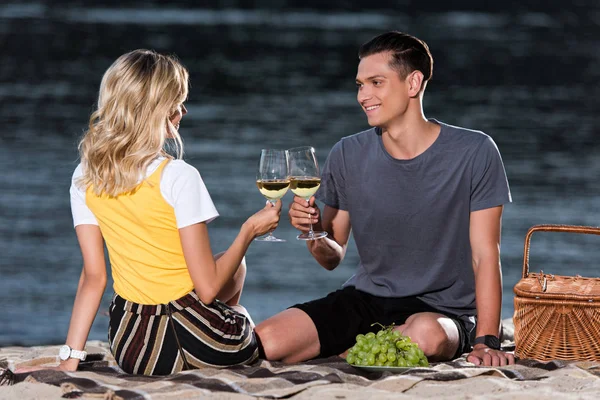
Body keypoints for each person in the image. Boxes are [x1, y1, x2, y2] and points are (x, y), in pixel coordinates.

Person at [255, 31, 515, 367]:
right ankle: (355, 351)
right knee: (268, 341)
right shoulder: (348, 152)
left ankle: (351, 352)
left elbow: (485, 255)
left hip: (444, 312)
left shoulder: (475, 151)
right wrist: (316, 231)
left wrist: (487, 340)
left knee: (426, 337)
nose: (363, 95)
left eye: (376, 82)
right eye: (360, 85)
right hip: (366, 300)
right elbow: (332, 257)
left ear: (413, 83)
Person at [18, 49, 281, 376]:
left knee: (231, 269)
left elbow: (94, 277)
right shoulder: (179, 176)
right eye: (177, 103)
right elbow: (209, 288)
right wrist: (249, 232)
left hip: (135, 349)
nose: (182, 111)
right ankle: (217, 333)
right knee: (236, 270)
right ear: (157, 109)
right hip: (200, 343)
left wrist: (71, 355)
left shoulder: (86, 175)